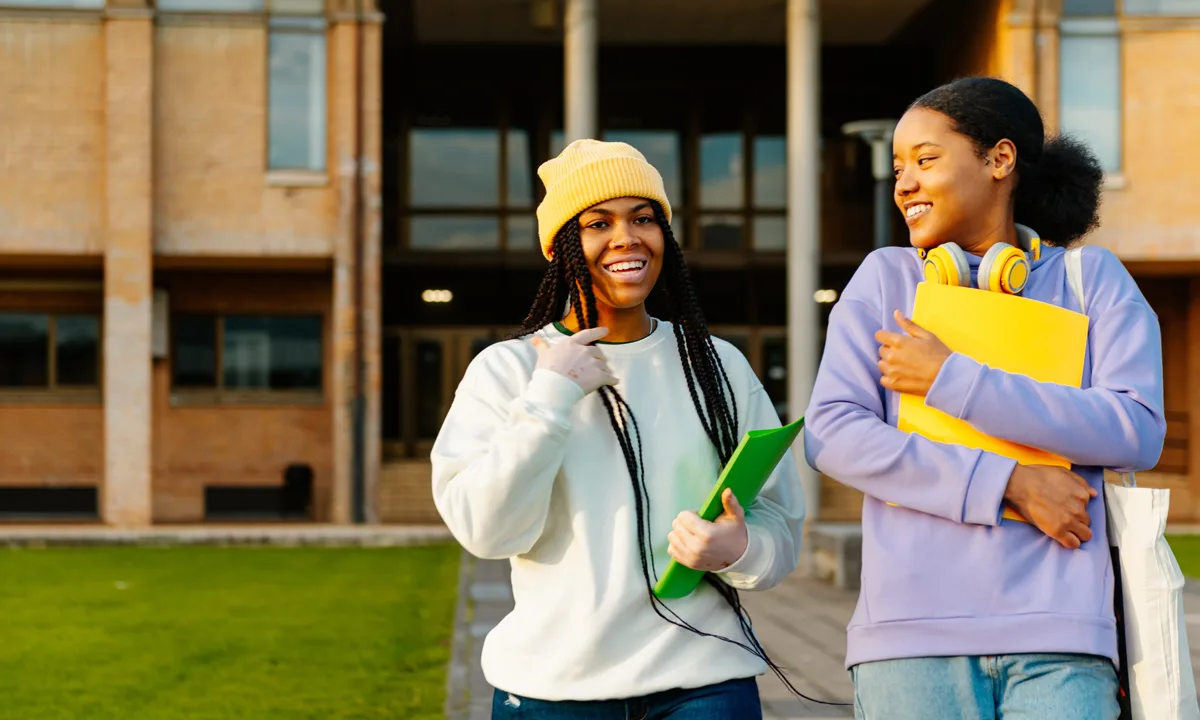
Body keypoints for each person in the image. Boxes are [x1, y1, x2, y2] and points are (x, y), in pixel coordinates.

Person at [803, 76, 1166, 719]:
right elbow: (833, 433)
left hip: (1062, 641)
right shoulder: (886, 278)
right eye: (897, 167)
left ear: (1000, 160)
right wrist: (1009, 483)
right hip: (909, 641)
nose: (904, 183)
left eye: (925, 159)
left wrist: (953, 379)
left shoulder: (1092, 281)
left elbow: (1135, 427)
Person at [431, 139, 806, 718]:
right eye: (598, 223)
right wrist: (551, 396)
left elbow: (779, 521)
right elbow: (487, 532)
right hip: (555, 690)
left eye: (644, 218)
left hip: (706, 681)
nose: (627, 237)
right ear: (563, 249)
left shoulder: (717, 364)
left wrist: (743, 549)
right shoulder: (509, 371)